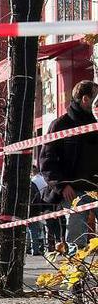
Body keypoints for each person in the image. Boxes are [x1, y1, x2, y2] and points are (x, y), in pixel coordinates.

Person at [39, 80, 98, 249]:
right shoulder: (60, 125)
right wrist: (62, 185)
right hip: (72, 189)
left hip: (94, 186)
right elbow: (47, 161)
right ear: (86, 99)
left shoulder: (95, 124)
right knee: (76, 222)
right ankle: (75, 267)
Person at [27, 165, 47, 255]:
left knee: (31, 230)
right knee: (38, 229)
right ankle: (36, 248)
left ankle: (30, 248)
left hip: (30, 208)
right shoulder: (42, 180)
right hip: (40, 207)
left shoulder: (32, 182)